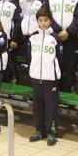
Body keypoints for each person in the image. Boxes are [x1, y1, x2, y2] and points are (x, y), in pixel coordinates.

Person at [44, 0, 78, 92]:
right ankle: (54, 90)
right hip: (53, 37)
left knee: (70, 66)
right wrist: (57, 31)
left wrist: (68, 32)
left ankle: (68, 91)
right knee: (54, 64)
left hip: (70, 38)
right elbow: (46, 15)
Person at [27, 8, 61, 146]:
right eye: (40, 20)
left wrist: (55, 73)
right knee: (37, 105)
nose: (43, 23)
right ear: (37, 22)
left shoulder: (55, 38)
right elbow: (30, 57)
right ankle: (39, 130)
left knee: (50, 106)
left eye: (46, 20)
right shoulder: (32, 38)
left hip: (50, 78)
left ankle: (52, 131)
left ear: (50, 21)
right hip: (35, 77)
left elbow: (60, 57)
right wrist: (32, 70)